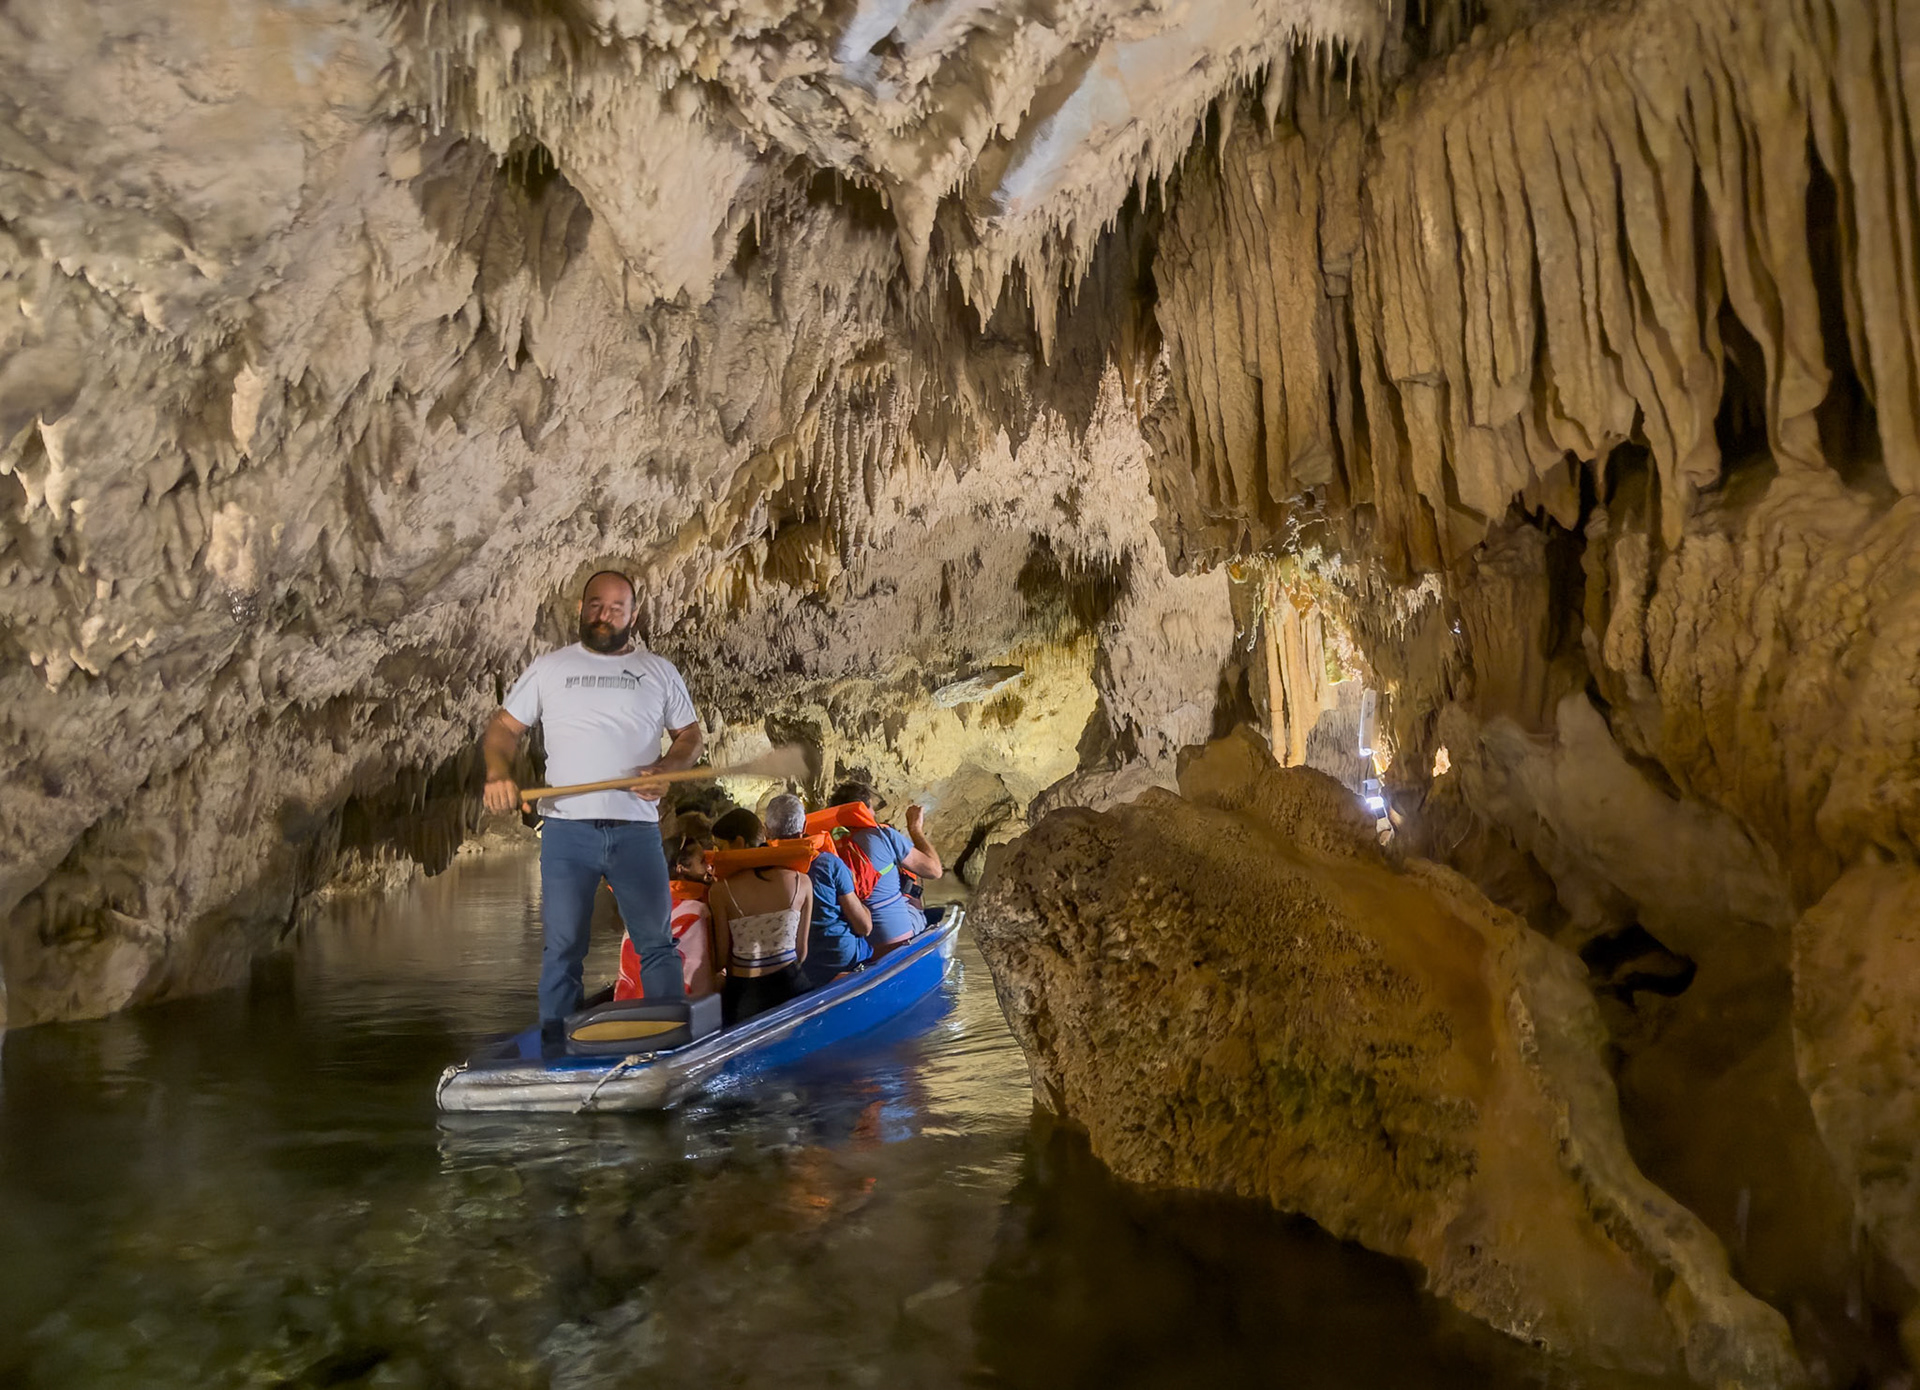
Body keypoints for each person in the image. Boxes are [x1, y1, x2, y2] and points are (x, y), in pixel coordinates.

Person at [480, 570, 703, 1033]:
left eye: (616, 608)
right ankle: (557, 1049)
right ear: (581, 609)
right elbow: (503, 729)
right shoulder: (550, 668)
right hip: (567, 830)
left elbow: (689, 736)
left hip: (636, 828)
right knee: (562, 948)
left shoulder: (658, 672)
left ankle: (668, 1039)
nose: (604, 616)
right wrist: (498, 773)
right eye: (596, 606)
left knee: (656, 943)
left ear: (634, 615)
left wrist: (667, 769)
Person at [708, 804, 813, 1024]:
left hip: (747, 997)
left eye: (719, 847)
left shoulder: (721, 891)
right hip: (795, 987)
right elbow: (802, 952)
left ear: (738, 843)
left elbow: (721, 960)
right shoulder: (801, 881)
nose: (715, 857)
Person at [818, 781, 943, 956]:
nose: (874, 813)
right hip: (895, 937)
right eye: (872, 808)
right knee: (913, 897)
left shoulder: (825, 846)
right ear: (863, 809)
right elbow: (934, 870)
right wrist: (915, 829)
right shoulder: (884, 835)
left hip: (853, 944)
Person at [788, 792, 874, 987]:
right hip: (838, 957)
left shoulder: (761, 872)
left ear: (767, 831)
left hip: (795, 964)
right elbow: (864, 927)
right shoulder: (828, 863)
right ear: (803, 827)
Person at [616, 835, 716, 999]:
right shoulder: (698, 911)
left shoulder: (642, 907)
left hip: (633, 1003)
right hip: (683, 1004)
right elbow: (707, 972)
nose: (709, 866)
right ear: (681, 868)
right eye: (702, 861)